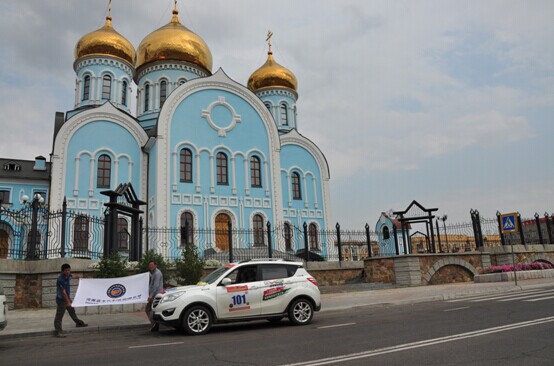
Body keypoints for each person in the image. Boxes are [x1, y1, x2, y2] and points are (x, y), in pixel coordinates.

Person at [54, 263, 88, 338]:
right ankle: (58, 331)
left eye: (69, 270)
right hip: (61, 300)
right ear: (62, 271)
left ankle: (79, 323)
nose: (68, 272)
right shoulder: (60, 279)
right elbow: (63, 292)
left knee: (72, 311)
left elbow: (73, 276)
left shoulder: (68, 275)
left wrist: (80, 278)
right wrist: (68, 302)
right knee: (59, 315)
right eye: (66, 270)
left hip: (67, 298)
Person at [146, 261, 163, 332]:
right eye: (150, 265)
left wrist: (151, 295)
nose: (150, 266)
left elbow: (155, 286)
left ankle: (155, 325)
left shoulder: (157, 273)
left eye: (152, 265)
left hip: (155, 295)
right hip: (154, 295)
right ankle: (155, 325)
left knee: (148, 309)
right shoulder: (154, 273)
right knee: (151, 310)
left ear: (156, 265)